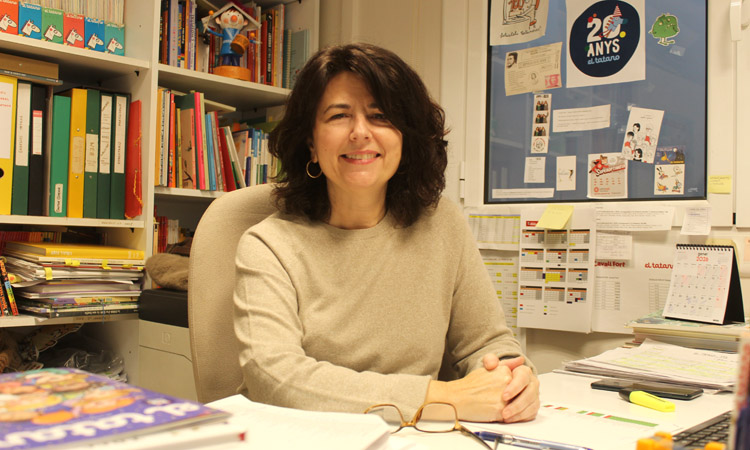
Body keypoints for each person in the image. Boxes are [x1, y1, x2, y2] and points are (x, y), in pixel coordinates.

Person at [233, 43, 540, 424]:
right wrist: (441, 398)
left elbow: (487, 342)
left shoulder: (442, 224)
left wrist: (513, 380)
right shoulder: (268, 246)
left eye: (380, 116)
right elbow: (274, 377)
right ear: (311, 142)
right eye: (339, 115)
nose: (360, 133)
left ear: (405, 137)